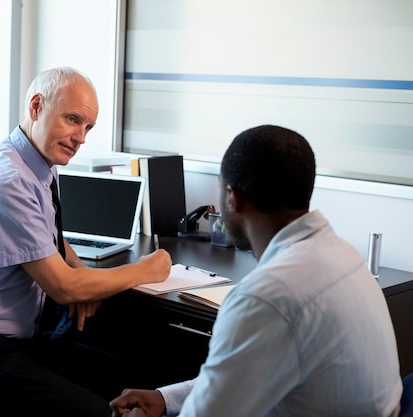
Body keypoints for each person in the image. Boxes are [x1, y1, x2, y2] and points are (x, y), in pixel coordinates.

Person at [0, 66, 171, 417]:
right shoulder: (8, 181)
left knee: (129, 379)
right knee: (102, 410)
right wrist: (145, 270)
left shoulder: (38, 162)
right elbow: (63, 289)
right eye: (72, 120)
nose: (80, 137)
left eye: (88, 128)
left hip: (9, 342)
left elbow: (51, 237)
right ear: (36, 106)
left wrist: (83, 277)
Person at [110, 125, 403, 417]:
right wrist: (166, 399)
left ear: (231, 197)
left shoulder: (265, 297)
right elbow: (239, 375)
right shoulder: (343, 255)